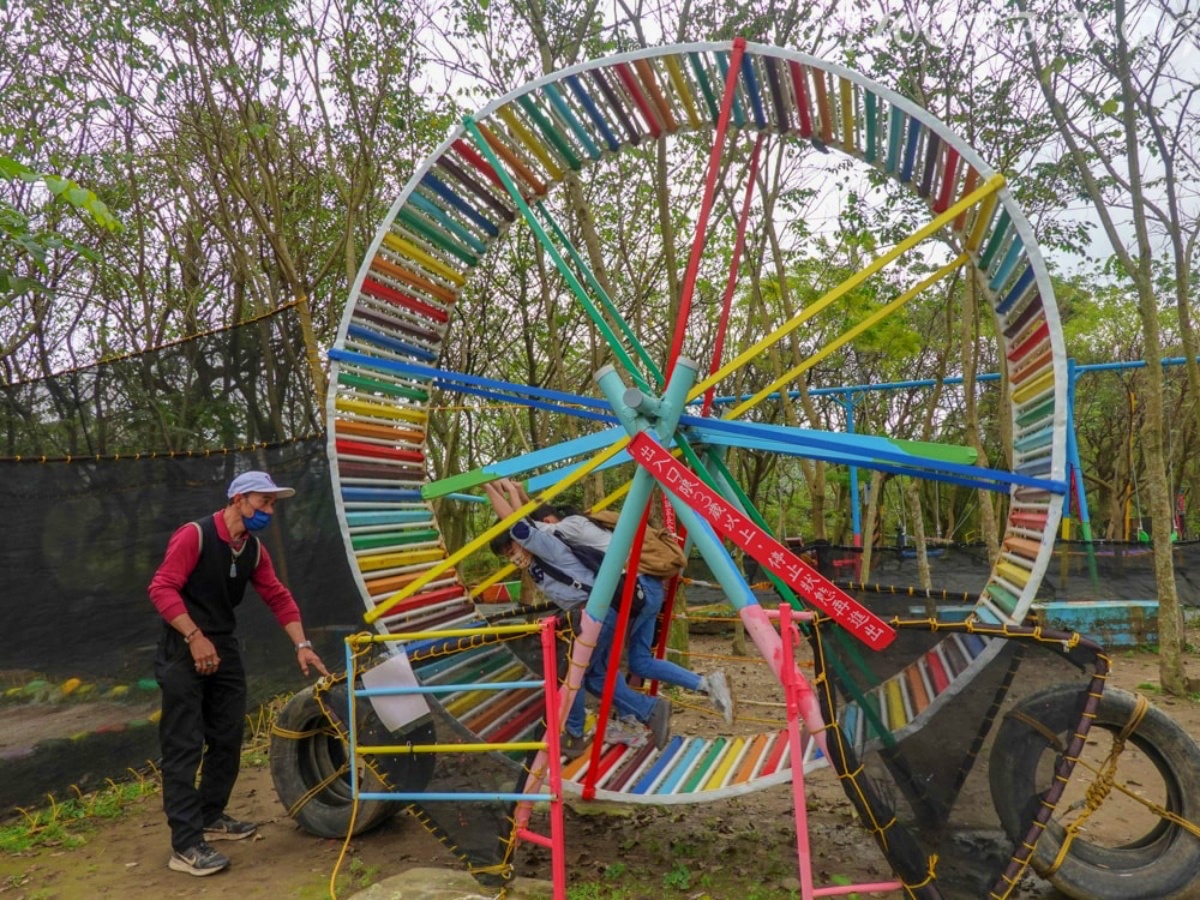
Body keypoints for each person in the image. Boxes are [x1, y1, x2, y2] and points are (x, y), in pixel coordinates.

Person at [148, 470, 329, 877]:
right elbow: (161, 588)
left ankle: (211, 814)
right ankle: (186, 845)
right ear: (238, 500)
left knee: (228, 734)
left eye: (272, 504)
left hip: (223, 644)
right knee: (183, 743)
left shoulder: (252, 549)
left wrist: (302, 645)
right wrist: (194, 636)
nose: (269, 511)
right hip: (183, 643)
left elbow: (278, 597)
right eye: (263, 503)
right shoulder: (194, 535)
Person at [484, 480, 670, 757]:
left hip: (598, 611)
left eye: (511, 551)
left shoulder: (547, 546)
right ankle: (649, 709)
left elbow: (516, 523)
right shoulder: (537, 562)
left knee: (571, 672)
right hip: (600, 612)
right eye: (506, 557)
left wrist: (493, 488)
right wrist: (516, 494)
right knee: (595, 677)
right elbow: (526, 519)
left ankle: (574, 733)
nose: (513, 559)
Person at [526, 500, 734, 726]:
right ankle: (705, 684)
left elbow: (527, 530)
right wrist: (518, 494)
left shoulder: (569, 527)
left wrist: (502, 492)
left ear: (548, 520)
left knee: (594, 670)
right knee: (639, 662)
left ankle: (623, 718)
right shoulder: (587, 522)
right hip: (649, 589)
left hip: (634, 592)